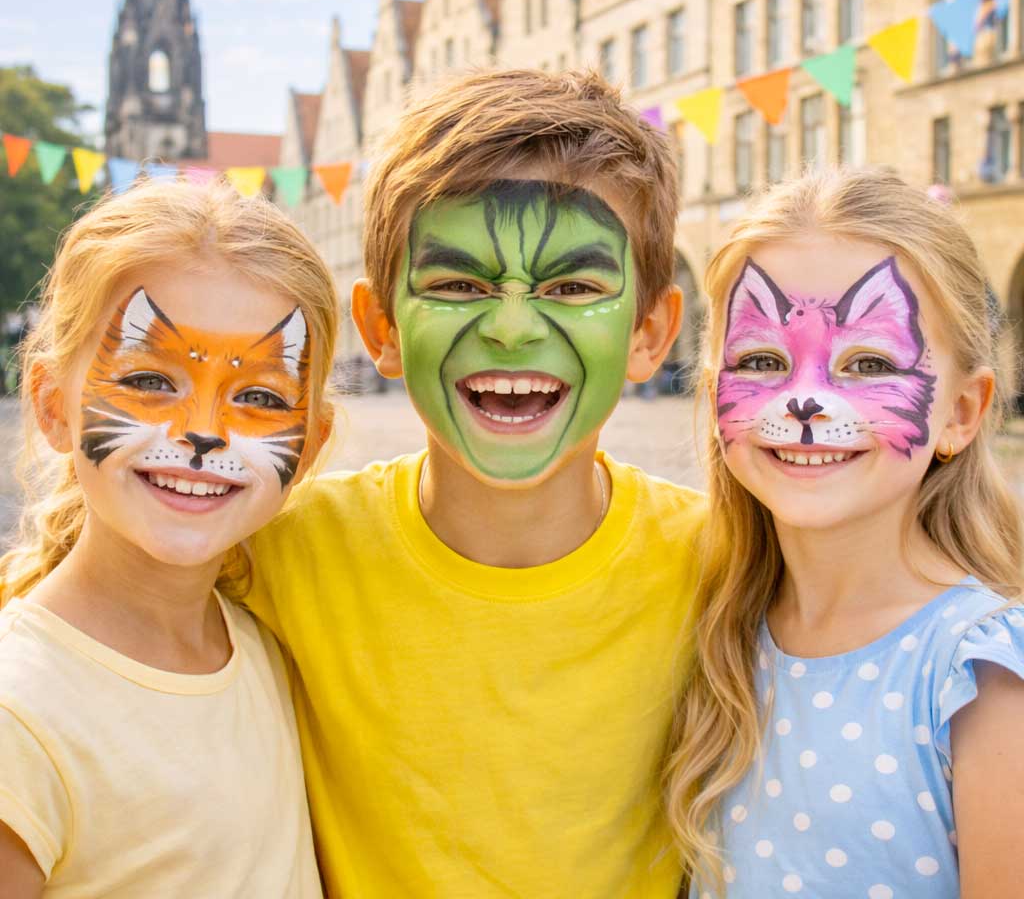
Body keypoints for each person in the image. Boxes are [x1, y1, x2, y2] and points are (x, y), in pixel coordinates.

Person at [243, 68, 707, 897]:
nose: (513, 327)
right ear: (381, 329)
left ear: (650, 334)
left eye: (572, 287)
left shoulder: (721, 565)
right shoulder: (279, 552)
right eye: (458, 285)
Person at [666, 167, 1024, 898]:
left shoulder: (981, 679)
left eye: (868, 364)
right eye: (762, 360)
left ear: (960, 412)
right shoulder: (720, 628)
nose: (805, 400)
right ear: (714, 391)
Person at [0, 180, 338, 896]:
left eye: (259, 398)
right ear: (53, 407)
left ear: (310, 444)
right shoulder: (16, 715)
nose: (203, 430)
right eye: (151, 380)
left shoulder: (266, 644)